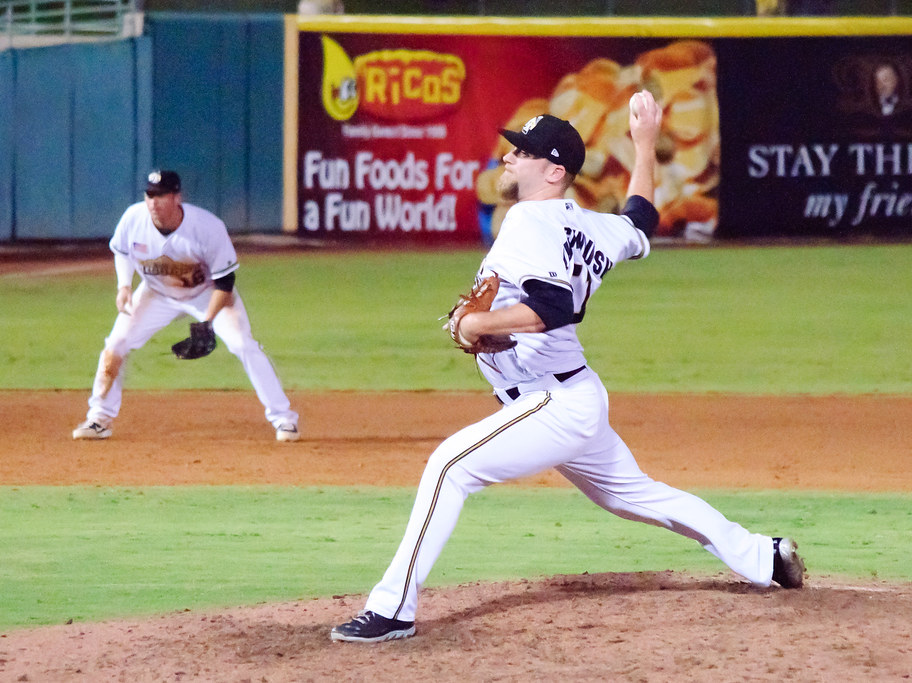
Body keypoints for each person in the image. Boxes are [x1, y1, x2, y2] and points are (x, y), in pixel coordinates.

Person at [330, 92, 805, 643]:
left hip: (551, 403)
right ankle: (764, 557)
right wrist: (645, 144)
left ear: (554, 171)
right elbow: (642, 220)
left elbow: (555, 308)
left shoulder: (527, 221)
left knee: (447, 469)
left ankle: (393, 610)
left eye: (523, 153)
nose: (509, 159)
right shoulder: (592, 226)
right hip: (574, 397)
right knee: (636, 496)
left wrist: (475, 326)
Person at [72, 170, 300, 443]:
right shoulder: (134, 218)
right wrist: (124, 286)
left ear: (177, 197)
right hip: (156, 293)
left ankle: (284, 419)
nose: (153, 202)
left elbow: (225, 282)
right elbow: (122, 252)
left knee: (242, 344)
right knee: (115, 344)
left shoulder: (207, 227)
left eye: (161, 195)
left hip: (206, 294)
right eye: (150, 195)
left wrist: (207, 322)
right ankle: (99, 418)